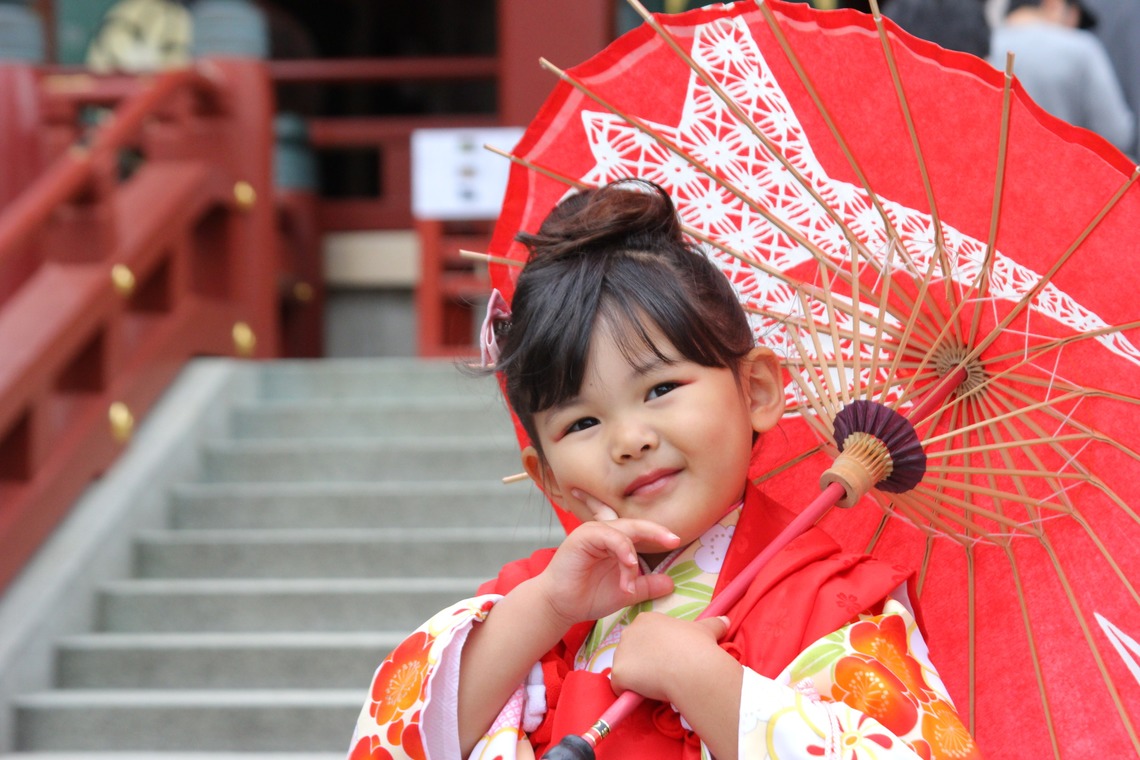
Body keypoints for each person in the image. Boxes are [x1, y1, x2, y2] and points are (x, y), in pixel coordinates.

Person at [346, 181, 980, 759]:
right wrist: (544, 610)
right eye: (582, 423)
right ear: (547, 476)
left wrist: (702, 681)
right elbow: (401, 736)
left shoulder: (831, 604)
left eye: (659, 389)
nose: (629, 439)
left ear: (756, 390)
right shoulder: (539, 607)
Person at [989, 0, 1136, 154]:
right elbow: (1116, 135)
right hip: (1067, 172)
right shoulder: (1082, 49)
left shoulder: (982, 48)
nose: (1073, 26)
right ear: (1053, 4)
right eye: (1075, 16)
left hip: (997, 174)